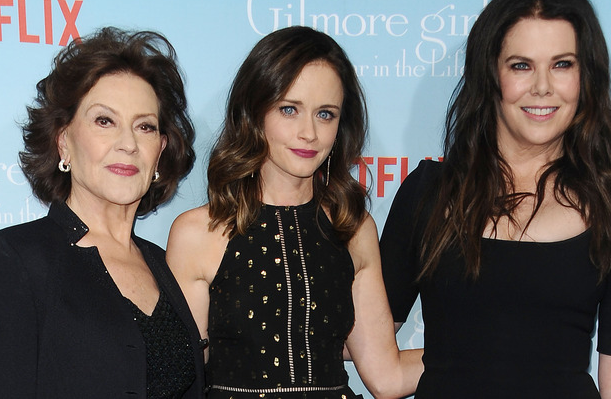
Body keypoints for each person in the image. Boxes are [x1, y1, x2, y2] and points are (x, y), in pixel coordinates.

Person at [380, 0, 611, 399]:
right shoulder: (429, 193)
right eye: (521, 65)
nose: (542, 87)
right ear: (491, 73)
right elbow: (365, 346)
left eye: (562, 64)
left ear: (587, 77)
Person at [167, 26, 423, 399]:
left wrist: (492, 349)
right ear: (255, 112)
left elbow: (387, 377)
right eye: (289, 109)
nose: (309, 133)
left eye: (325, 114)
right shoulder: (198, 233)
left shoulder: (352, 227)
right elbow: (181, 379)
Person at [0, 27, 205, 398]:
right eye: (104, 121)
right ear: (64, 141)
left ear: (159, 150)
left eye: (144, 127)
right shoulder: (16, 258)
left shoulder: (163, 264)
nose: (128, 144)